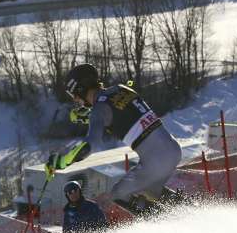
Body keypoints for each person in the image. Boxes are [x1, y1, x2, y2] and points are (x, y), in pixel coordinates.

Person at [46, 63, 182, 214]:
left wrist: (62, 161)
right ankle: (189, 210)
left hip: (155, 160)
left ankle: (166, 224)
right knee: (152, 190)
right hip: (172, 149)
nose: (76, 100)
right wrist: (91, 116)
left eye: (74, 95)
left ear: (80, 89)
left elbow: (90, 145)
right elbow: (123, 112)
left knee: (118, 194)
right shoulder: (122, 88)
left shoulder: (99, 111)